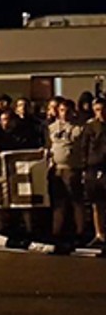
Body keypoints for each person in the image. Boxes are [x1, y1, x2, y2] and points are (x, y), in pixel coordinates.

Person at [46, 99, 87, 240]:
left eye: (68, 111)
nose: (65, 114)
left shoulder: (80, 128)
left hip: (73, 168)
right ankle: (56, 231)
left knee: (76, 201)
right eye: (62, 110)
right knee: (58, 202)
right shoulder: (51, 128)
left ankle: (80, 231)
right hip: (56, 168)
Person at [85, 98, 106, 246]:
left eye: (103, 109)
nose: (101, 113)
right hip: (93, 168)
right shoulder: (90, 127)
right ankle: (99, 233)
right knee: (96, 203)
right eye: (98, 110)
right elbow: (83, 149)